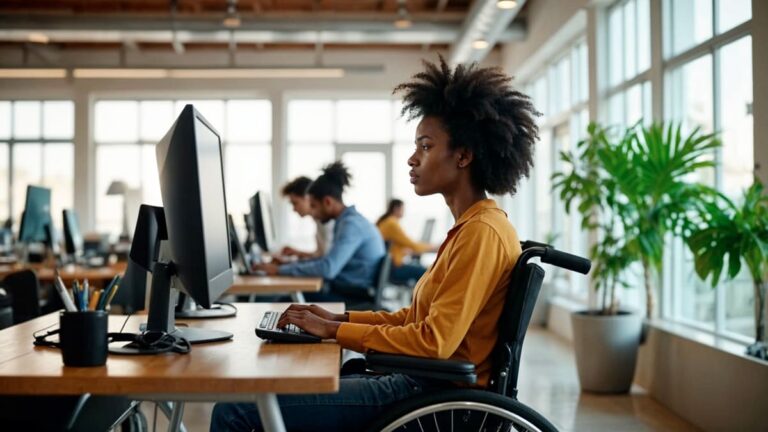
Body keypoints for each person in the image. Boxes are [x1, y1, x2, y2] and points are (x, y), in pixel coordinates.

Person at [212, 55, 539, 432]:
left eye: (426, 147)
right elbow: (414, 320)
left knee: (235, 410)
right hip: (421, 383)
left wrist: (336, 333)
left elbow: (433, 342)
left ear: (463, 155)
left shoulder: (482, 233)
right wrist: (337, 319)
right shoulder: (470, 228)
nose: (413, 159)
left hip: (433, 398)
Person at [253, 162, 386, 303]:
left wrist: (280, 270)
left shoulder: (351, 225)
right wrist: (285, 267)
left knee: (283, 303)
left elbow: (328, 268)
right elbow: (327, 260)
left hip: (353, 296)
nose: (313, 212)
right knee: (284, 300)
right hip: (346, 289)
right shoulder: (346, 221)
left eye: (314, 206)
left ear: (328, 202)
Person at [376, 198, 433, 285]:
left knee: (418, 268)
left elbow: (392, 246)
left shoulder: (383, 221)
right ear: (396, 209)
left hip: (386, 267)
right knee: (427, 272)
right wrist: (433, 247)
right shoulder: (392, 223)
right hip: (393, 269)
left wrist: (404, 252)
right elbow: (411, 244)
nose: (404, 212)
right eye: (403, 209)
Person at [279, 175, 333, 260]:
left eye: (295, 203)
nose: (294, 209)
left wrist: (283, 268)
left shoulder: (327, 221)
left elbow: (326, 261)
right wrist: (297, 253)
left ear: (308, 198)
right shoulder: (318, 221)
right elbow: (320, 255)